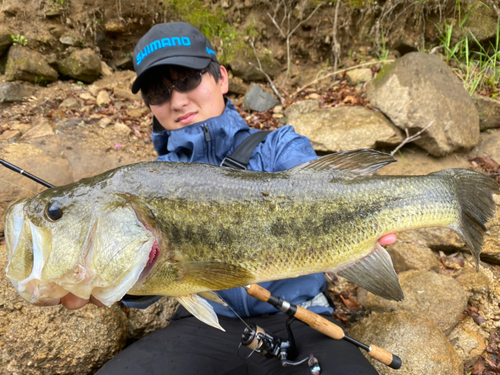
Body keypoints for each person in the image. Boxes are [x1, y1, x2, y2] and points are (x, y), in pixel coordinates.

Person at [62, 22, 397, 374]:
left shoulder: (280, 146)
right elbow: (146, 279)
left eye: (188, 79)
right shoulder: (148, 183)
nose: (177, 100)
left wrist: (368, 220)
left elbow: (319, 189)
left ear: (221, 78)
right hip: (204, 326)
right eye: (158, 92)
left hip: (304, 319)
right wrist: (108, 279)